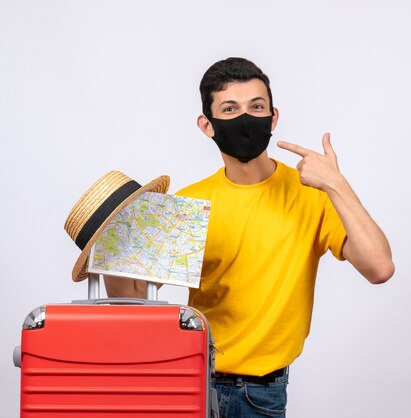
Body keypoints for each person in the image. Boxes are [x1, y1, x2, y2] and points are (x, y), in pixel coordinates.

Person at [105, 57, 394, 417]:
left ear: (273, 118)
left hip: (260, 393)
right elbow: (132, 300)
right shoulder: (190, 203)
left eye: (256, 107)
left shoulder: (313, 194)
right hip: (190, 381)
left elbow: (379, 267)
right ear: (207, 126)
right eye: (230, 109)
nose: (245, 118)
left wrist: (337, 184)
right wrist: (113, 238)